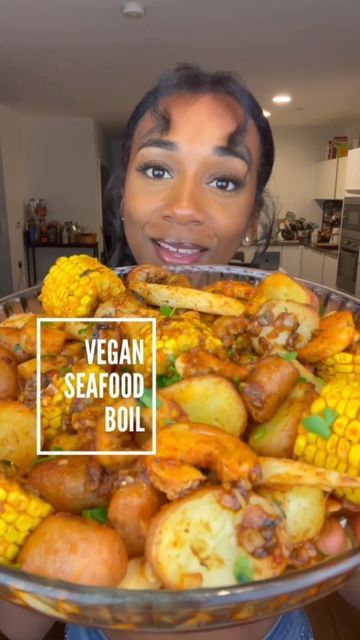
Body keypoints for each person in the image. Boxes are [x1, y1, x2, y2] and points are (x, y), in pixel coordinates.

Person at [0, 63, 359, 640]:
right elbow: (19, 626)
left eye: (223, 181)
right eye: (158, 168)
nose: (185, 206)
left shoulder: (295, 338)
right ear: (122, 196)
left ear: (251, 218)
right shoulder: (57, 335)